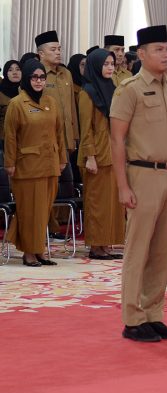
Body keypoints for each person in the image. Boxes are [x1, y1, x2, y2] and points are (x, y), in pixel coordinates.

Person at [109, 25, 167, 343]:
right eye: (159, 49)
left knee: (163, 251)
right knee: (138, 249)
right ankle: (133, 317)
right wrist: (123, 186)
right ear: (141, 54)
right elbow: (117, 140)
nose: (166, 55)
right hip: (143, 175)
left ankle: (154, 314)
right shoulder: (130, 89)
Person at [3, 59, 67, 267]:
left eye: (41, 77)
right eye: (34, 77)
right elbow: (10, 136)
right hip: (27, 167)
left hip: (50, 164)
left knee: (43, 211)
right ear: (27, 79)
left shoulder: (50, 102)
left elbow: (59, 133)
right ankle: (29, 252)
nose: (38, 81)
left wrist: (63, 159)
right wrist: (10, 163)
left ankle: (39, 249)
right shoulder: (17, 104)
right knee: (29, 211)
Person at [77, 48, 125, 260]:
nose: (109, 68)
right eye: (105, 64)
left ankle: (106, 244)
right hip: (95, 157)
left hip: (112, 154)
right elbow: (85, 128)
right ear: (96, 66)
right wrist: (89, 157)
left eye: (111, 64)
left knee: (111, 204)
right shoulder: (87, 92)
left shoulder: (111, 88)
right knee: (97, 203)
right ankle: (96, 246)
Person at [36, 30, 79, 241]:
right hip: (48, 141)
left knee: (62, 186)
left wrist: (74, 137)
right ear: (41, 53)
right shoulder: (38, 75)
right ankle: (47, 226)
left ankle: (56, 225)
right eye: (53, 49)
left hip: (66, 140)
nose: (58, 52)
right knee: (47, 186)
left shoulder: (66, 74)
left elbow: (71, 108)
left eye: (59, 48)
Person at [0, 60, 22, 144]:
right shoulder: (1, 93)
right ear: (5, 73)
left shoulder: (27, 92)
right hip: (4, 140)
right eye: (10, 70)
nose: (15, 72)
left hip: (24, 139)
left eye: (18, 69)